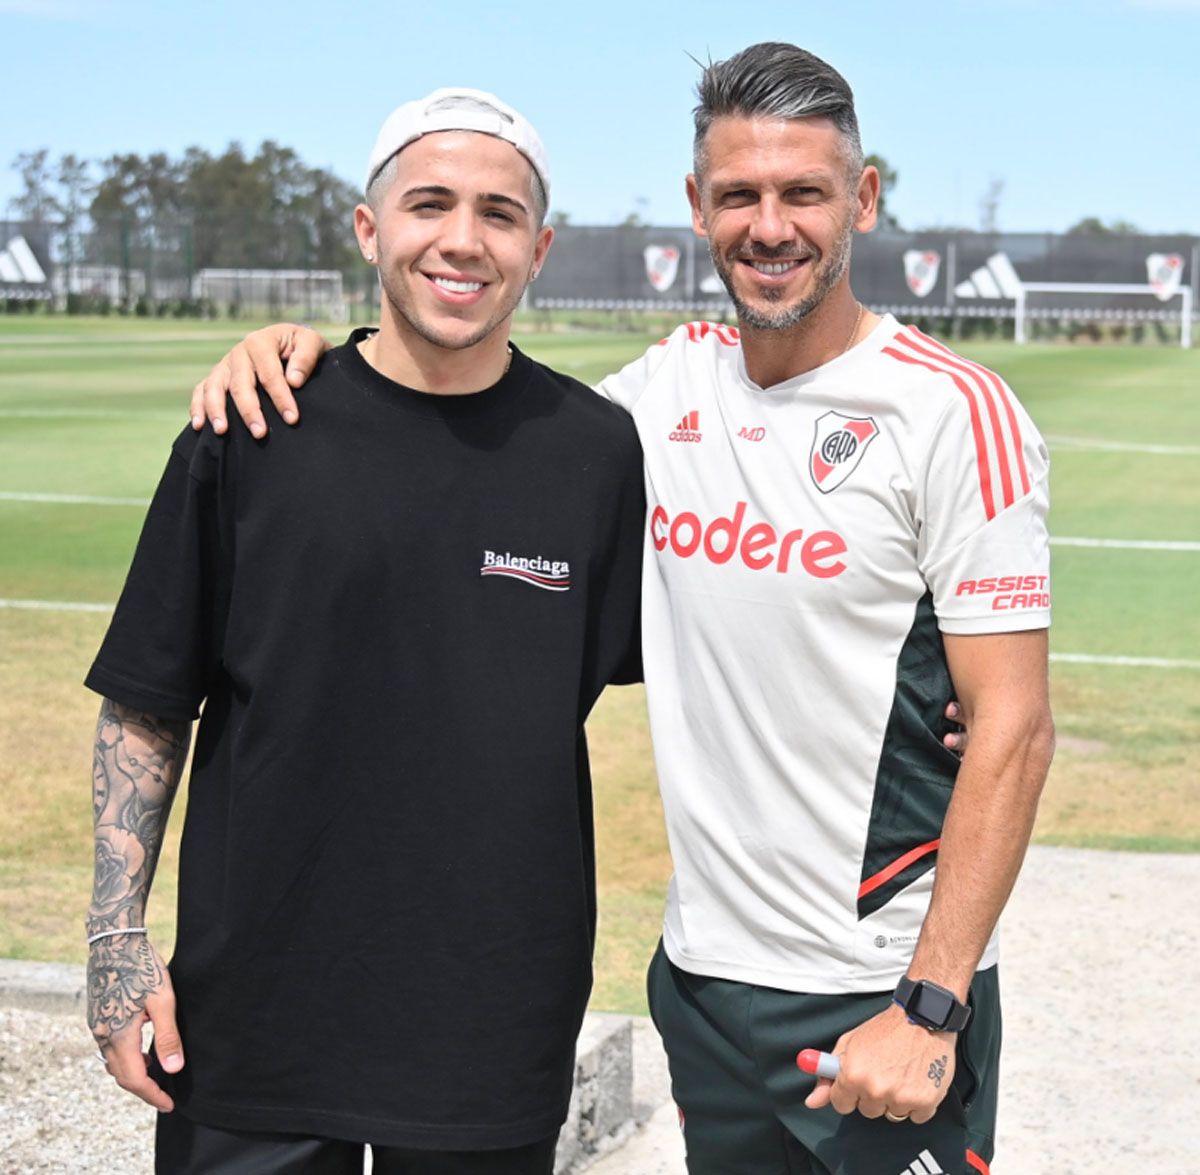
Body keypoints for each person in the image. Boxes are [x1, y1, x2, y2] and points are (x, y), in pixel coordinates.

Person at [192, 44, 1052, 1175]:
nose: (771, 224)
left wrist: (932, 1006)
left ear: (865, 197)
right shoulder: (657, 398)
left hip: (877, 987)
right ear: (697, 206)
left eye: (805, 191)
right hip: (702, 983)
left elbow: (1015, 726)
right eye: (739, 194)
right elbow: (475, 425)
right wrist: (309, 356)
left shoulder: (954, 413)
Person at [84, 88, 647, 1174]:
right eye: (430, 202)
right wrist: (115, 944)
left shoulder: (596, 452)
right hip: (255, 1008)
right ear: (368, 226)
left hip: (488, 1019)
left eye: (498, 212)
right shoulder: (247, 426)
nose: (462, 239)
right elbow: (151, 699)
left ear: (540, 247)